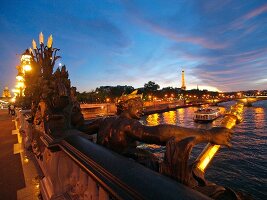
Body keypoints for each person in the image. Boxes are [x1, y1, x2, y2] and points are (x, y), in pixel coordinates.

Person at [83, 96, 232, 169]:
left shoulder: (104, 121)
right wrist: (209, 135)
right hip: (119, 172)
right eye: (138, 106)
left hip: (102, 164)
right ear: (127, 107)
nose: (142, 109)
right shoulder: (128, 124)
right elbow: (160, 134)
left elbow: (82, 128)